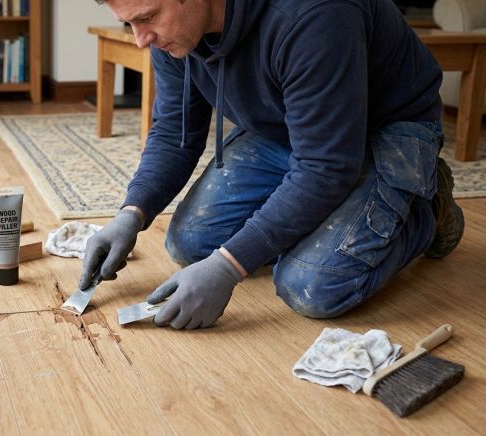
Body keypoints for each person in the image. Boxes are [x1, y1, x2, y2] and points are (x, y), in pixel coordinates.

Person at [79, 0, 465, 330]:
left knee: (312, 285)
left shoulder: (315, 14)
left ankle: (426, 210)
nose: (140, 38)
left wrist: (230, 266)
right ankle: (326, 210)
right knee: (190, 242)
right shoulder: (173, 36)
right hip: (292, 127)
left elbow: (325, 166)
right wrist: (132, 211)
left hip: (385, 130)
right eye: (127, 23)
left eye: (146, 17)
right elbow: (173, 133)